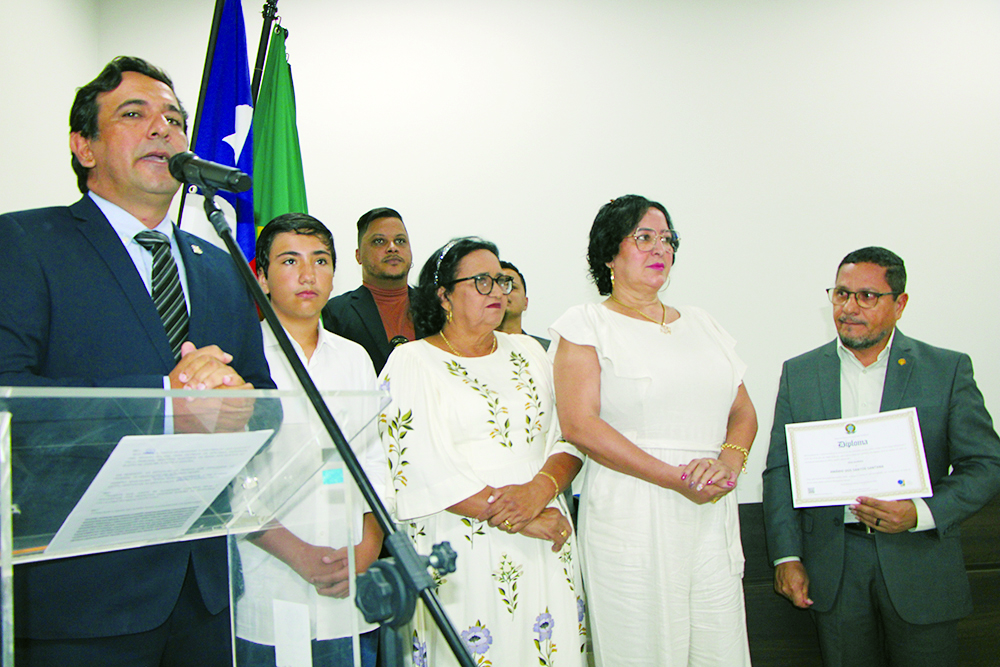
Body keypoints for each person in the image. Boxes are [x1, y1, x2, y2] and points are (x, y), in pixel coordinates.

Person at [0, 56, 273, 665]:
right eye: (134, 114)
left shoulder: (220, 262)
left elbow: (265, 401)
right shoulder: (22, 243)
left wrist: (238, 404)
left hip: (204, 595)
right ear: (84, 146)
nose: (162, 129)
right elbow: (7, 399)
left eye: (174, 119)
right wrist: (165, 404)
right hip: (79, 597)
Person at [761, 246, 1000, 667]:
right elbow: (781, 471)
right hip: (833, 567)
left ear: (900, 304)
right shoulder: (801, 373)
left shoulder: (945, 369)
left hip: (920, 561)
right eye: (841, 294)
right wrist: (787, 556)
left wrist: (919, 512)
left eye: (867, 296)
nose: (849, 307)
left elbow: (986, 464)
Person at [551, 195, 756, 667]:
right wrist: (674, 478)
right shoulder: (587, 324)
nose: (660, 248)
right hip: (633, 511)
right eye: (643, 237)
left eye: (667, 239)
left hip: (710, 506)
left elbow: (743, 410)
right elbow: (580, 425)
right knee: (643, 652)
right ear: (609, 253)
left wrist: (728, 463)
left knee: (720, 651)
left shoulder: (702, 323)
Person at [378, 237, 587, 667]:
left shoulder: (530, 351)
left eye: (501, 280)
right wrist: (520, 516)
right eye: (481, 281)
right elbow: (416, 466)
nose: (497, 291)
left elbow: (571, 435)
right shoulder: (412, 361)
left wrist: (539, 492)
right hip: (463, 545)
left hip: (547, 534)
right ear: (444, 296)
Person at [235, 213, 385, 666]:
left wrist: (368, 548)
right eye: (289, 261)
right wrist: (298, 553)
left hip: (351, 578)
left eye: (320, 261)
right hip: (269, 579)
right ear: (261, 278)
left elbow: (374, 461)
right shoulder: (240, 358)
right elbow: (232, 482)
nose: (307, 275)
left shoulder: (354, 358)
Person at [322, 207, 426, 373]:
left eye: (400, 241)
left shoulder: (436, 307)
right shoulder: (335, 312)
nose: (392, 248)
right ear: (359, 256)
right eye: (379, 241)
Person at [496, 260, 550, 350]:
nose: (504, 292)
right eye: (498, 287)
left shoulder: (547, 350)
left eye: (512, 287)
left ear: (525, 303)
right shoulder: (471, 351)